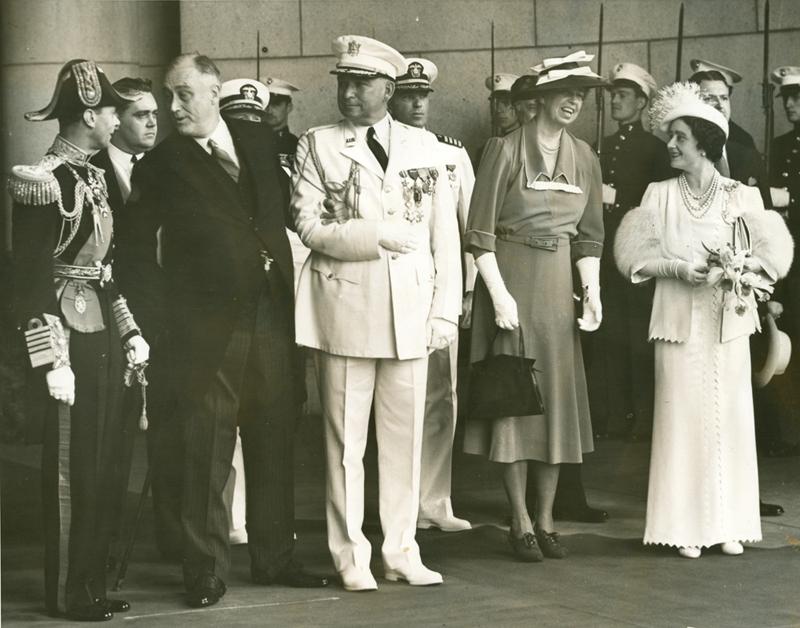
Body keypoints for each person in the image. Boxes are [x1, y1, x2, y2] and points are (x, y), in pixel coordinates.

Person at [114, 52, 327, 610]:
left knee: (275, 435)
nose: (172, 106)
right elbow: (133, 255)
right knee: (206, 448)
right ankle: (204, 569)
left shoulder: (259, 144)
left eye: (184, 94)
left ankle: (276, 556)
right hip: (203, 328)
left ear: (213, 93)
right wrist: (165, 323)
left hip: (271, 316)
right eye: (168, 95)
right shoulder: (160, 166)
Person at [292, 35, 462, 591]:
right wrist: (376, 235)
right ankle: (350, 555)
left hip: (411, 310)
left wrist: (444, 312)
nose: (349, 92)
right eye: (343, 81)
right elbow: (310, 226)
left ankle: (402, 549)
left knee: (404, 440)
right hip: (346, 306)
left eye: (361, 83)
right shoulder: (318, 145)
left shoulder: (425, 147)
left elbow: (445, 240)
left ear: (388, 88)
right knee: (345, 446)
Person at [615, 81, 793, 559]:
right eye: (670, 136)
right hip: (676, 322)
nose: (671, 145)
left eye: (680, 137)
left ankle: (728, 525)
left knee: (729, 422)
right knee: (681, 420)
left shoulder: (741, 196)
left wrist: (742, 269)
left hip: (727, 325)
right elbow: (632, 257)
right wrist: (675, 268)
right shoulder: (658, 194)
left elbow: (775, 255)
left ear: (706, 143)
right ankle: (684, 529)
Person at [8, 59, 149, 621]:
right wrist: (50, 360)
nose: (119, 118)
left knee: (106, 463)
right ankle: (70, 591)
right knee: (73, 467)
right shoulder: (44, 181)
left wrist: (130, 331)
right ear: (90, 113)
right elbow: (30, 285)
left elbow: (102, 272)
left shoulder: (94, 174)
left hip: (101, 335)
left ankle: (91, 581)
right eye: (114, 109)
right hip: (66, 341)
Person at [463, 51, 605, 562]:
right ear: (540, 97)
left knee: (555, 408)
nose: (573, 102)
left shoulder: (585, 156)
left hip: (556, 290)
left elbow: (590, 236)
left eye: (582, 95)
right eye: (566, 92)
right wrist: (499, 296)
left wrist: (591, 291)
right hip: (511, 282)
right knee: (513, 403)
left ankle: (546, 519)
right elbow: (478, 233)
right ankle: (518, 519)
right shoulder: (504, 150)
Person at [389, 57, 474, 532]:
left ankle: (435, 500)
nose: (418, 103)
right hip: (397, 288)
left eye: (423, 95)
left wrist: (466, 292)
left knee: (442, 396)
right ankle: (399, 504)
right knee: (399, 400)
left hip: (441, 292)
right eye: (407, 94)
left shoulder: (451, 153)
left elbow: (468, 229)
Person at [90, 76, 161, 567]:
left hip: (165, 316)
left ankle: (172, 536)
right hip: (112, 318)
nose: (152, 121)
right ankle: (104, 539)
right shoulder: (90, 171)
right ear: (113, 121)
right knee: (112, 431)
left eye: (155, 112)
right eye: (139, 114)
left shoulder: (168, 168)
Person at [589, 63, 672, 440]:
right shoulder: (598, 146)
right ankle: (612, 416)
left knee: (639, 341)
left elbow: (659, 206)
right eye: (612, 94)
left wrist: (617, 200)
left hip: (638, 256)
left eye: (623, 95)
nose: (615, 100)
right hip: (604, 257)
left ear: (641, 102)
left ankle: (643, 419)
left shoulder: (655, 149)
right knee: (608, 340)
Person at [689, 59, 772, 207]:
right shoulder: (681, 151)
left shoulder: (746, 152)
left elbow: (766, 212)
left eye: (724, 98)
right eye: (709, 98)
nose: (720, 105)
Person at [263, 77, 301, 172]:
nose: (269, 110)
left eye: (276, 104)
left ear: (289, 107)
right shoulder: (250, 141)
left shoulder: (296, 146)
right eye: (266, 104)